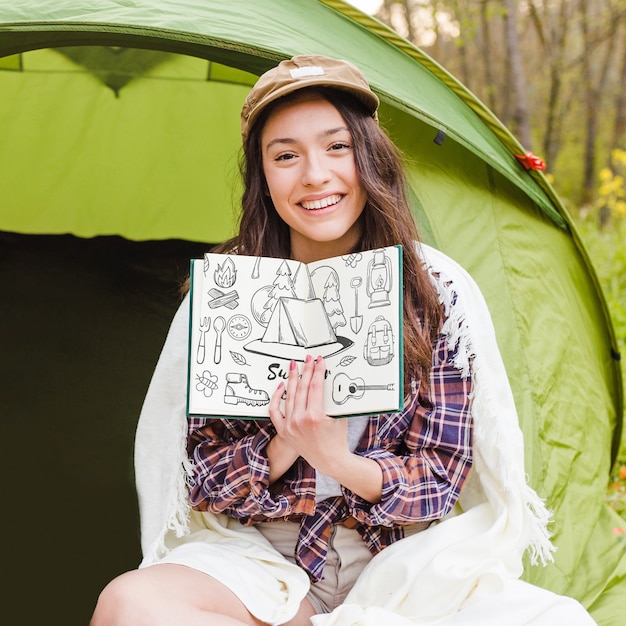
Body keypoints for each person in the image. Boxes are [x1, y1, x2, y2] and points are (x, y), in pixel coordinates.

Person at [91, 55, 595, 626]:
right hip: (261, 557)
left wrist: (337, 458)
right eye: (285, 156)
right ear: (263, 176)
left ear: (370, 157)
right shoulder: (231, 290)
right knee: (129, 604)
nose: (314, 175)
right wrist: (284, 446)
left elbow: (441, 474)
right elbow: (203, 476)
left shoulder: (435, 289)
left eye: (337, 147)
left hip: (404, 560)